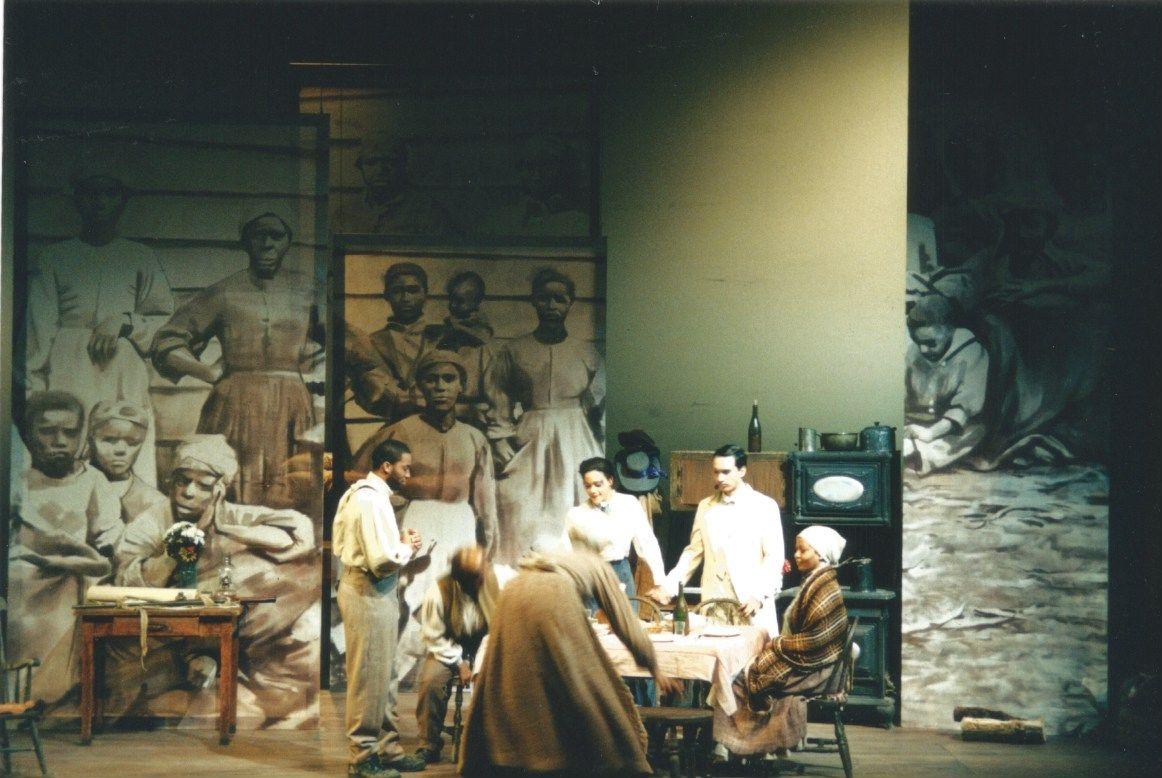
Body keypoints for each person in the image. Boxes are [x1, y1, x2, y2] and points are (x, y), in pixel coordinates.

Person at [115, 435, 318, 727]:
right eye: (182, 481)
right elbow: (129, 583)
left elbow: (297, 532)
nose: (188, 492)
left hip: (226, 632)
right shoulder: (152, 521)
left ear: (221, 489)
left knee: (288, 573)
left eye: (203, 486)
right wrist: (182, 545)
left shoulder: (232, 515)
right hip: (160, 635)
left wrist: (224, 527)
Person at [458, 524, 683, 777]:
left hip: (514, 593)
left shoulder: (548, 562)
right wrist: (655, 668)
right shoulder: (598, 566)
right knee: (586, 686)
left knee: (521, 686)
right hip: (552, 597)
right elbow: (625, 622)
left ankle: (523, 759)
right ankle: (598, 761)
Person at [152, 206, 324, 508]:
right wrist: (207, 372)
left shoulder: (307, 292)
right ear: (245, 241)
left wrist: (321, 398)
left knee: (290, 485)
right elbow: (167, 340)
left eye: (276, 236)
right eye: (259, 236)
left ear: (288, 241)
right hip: (234, 404)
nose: (268, 244)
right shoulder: (224, 291)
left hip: (292, 403)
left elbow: (339, 343)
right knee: (230, 483)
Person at [351, 350, 499, 690]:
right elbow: (359, 475)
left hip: (460, 520)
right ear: (419, 386)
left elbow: (485, 495)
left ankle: (452, 668)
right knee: (413, 593)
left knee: (457, 597)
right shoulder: (402, 431)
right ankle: (399, 675)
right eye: (431, 380)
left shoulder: (474, 437)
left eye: (449, 379)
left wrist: (488, 541)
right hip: (419, 518)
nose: (440, 387)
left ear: (461, 385)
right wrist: (397, 501)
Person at [25, 164, 174, 486]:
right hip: (69, 362)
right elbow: (39, 326)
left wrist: (125, 322)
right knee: (72, 436)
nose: (100, 202)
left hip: (123, 364)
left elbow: (164, 321)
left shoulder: (140, 256)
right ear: (77, 199)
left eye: (110, 193)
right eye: (90, 193)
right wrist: (36, 387)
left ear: (122, 200)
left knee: (123, 437)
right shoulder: (55, 256)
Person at [7, 391, 122, 705]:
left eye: (69, 433)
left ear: (81, 435)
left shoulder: (92, 481)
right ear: (29, 435)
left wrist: (84, 561)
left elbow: (108, 544)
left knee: (61, 675)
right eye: (47, 431)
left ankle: (55, 705)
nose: (60, 441)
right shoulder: (17, 481)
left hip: (71, 585)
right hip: (22, 590)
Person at [485, 268, 605, 561]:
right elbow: (499, 395)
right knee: (522, 507)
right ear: (533, 301)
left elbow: (598, 403)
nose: (551, 306)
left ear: (570, 303)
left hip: (575, 436)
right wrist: (501, 438)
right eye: (544, 299)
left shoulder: (586, 352)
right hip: (530, 434)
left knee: (573, 505)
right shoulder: (515, 350)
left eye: (559, 299)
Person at [332, 439, 427, 777]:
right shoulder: (369, 499)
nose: (408, 474)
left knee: (384, 674)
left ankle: (386, 748)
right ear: (387, 466)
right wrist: (406, 548)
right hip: (368, 591)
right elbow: (380, 560)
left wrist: (401, 545)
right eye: (405, 467)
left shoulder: (370, 496)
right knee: (369, 677)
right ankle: (362, 757)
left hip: (375, 591)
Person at [717, 526, 850, 756]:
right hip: (812, 665)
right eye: (796, 549)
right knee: (747, 671)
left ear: (820, 554)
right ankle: (750, 745)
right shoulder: (816, 581)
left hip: (818, 672)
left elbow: (815, 641)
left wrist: (778, 644)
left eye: (803, 550)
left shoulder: (823, 588)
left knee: (741, 677)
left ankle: (743, 744)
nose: (796, 555)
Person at [653, 444, 784, 633]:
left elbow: (774, 557)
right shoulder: (706, 506)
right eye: (716, 472)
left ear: (742, 471)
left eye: (726, 472)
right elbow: (693, 553)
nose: (720, 478)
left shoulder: (764, 506)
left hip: (749, 600)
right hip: (714, 600)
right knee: (715, 648)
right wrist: (669, 587)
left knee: (754, 650)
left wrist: (758, 595)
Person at [412, 544, 514, 766]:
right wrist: (460, 663)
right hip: (449, 646)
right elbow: (434, 637)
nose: (484, 578)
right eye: (478, 576)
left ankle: (492, 743)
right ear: (462, 579)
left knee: (500, 681)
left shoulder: (499, 578)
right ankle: (428, 744)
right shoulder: (438, 592)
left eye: (484, 571)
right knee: (431, 682)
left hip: (487, 644)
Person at [347, 262, 444, 424]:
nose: (406, 298)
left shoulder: (443, 338)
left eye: (413, 290)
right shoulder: (372, 343)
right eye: (397, 291)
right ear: (386, 296)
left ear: (425, 294)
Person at [903, 295, 990, 474]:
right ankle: (909, 449)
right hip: (916, 421)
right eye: (918, 342)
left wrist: (931, 433)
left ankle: (923, 457)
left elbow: (964, 407)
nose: (923, 349)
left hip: (951, 426)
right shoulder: (913, 352)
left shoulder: (972, 352)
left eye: (930, 343)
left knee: (975, 431)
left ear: (949, 331)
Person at [565, 456, 666, 604]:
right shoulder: (576, 515)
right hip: (592, 576)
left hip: (620, 572)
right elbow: (566, 551)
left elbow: (647, 543)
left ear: (610, 480)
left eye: (598, 484)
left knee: (626, 617)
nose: (593, 490)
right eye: (587, 486)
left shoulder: (629, 504)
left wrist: (659, 581)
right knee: (593, 618)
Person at [350, 136, 457, 235]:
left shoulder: (428, 212)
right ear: (361, 167)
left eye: (390, 162)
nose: (380, 170)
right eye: (371, 163)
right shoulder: (348, 211)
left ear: (403, 166)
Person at [86, 399, 167, 524]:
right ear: (91, 439)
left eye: (132, 442)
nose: (121, 450)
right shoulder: (72, 488)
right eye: (109, 440)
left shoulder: (154, 502)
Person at [431, 270, 494, 429]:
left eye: (460, 301)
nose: (453, 306)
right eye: (451, 299)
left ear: (475, 303)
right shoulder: (441, 337)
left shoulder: (485, 346)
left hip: (473, 419)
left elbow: (493, 393)